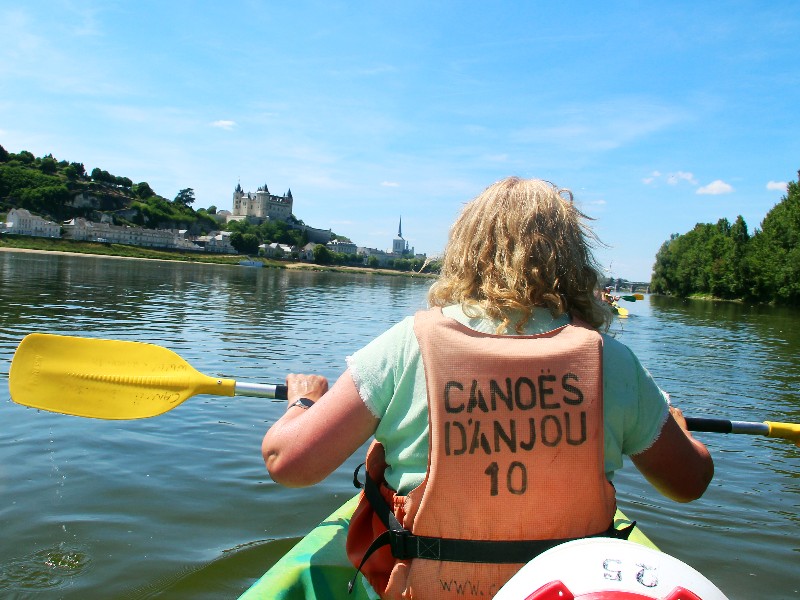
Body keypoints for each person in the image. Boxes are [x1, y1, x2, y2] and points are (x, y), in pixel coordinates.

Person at [262, 177, 714, 599]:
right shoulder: (611, 359)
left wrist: (305, 401)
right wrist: (676, 427)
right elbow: (689, 483)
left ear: (466, 250)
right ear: (573, 258)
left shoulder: (409, 344)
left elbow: (289, 464)